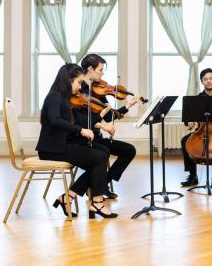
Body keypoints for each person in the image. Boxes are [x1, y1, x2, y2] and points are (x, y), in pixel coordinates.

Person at [36, 63, 117, 219]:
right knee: (99, 158)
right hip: (52, 149)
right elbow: (55, 120)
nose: (80, 87)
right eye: (78, 82)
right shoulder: (54, 97)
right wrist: (80, 130)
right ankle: (97, 202)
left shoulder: (63, 98)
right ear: (68, 80)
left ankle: (68, 197)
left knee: (102, 153)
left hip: (61, 145)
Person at [69, 54, 142, 199]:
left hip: (96, 137)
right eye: (100, 70)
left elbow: (109, 116)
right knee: (104, 153)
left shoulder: (97, 89)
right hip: (83, 138)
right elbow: (79, 121)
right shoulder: (77, 89)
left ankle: (101, 184)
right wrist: (102, 126)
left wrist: (128, 105)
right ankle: (98, 187)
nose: (102, 74)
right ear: (90, 69)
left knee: (129, 150)